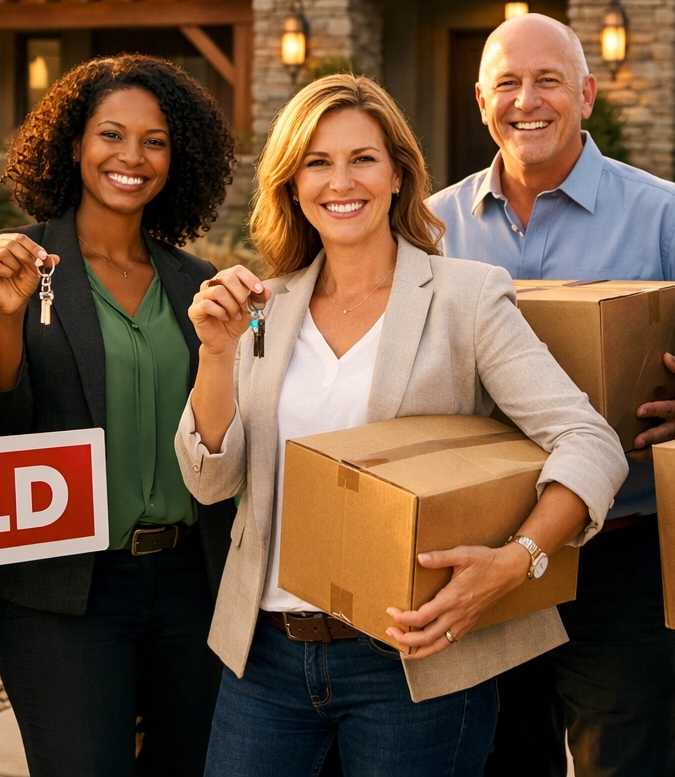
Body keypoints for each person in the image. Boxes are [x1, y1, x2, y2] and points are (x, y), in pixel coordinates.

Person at [177, 73, 629, 777]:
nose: (340, 181)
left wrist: (517, 562)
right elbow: (210, 481)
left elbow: (590, 441)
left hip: (412, 661)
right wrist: (215, 355)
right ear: (292, 184)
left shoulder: (464, 298)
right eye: (317, 163)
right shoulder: (265, 307)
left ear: (397, 174)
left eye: (362, 158)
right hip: (264, 655)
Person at [427, 12, 675, 777]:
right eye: (508, 83)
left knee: (622, 763)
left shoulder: (668, 217)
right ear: (481, 99)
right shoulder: (431, 228)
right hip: (488, 554)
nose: (526, 100)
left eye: (548, 80)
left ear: (587, 94)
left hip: (621, 557)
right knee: (502, 758)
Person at [0, 54, 238, 776]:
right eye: (111, 134)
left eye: (155, 141)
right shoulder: (8, 262)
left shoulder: (193, 281)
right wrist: (9, 321)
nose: (131, 157)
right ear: (74, 143)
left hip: (189, 583)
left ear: (179, 159)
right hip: (64, 587)